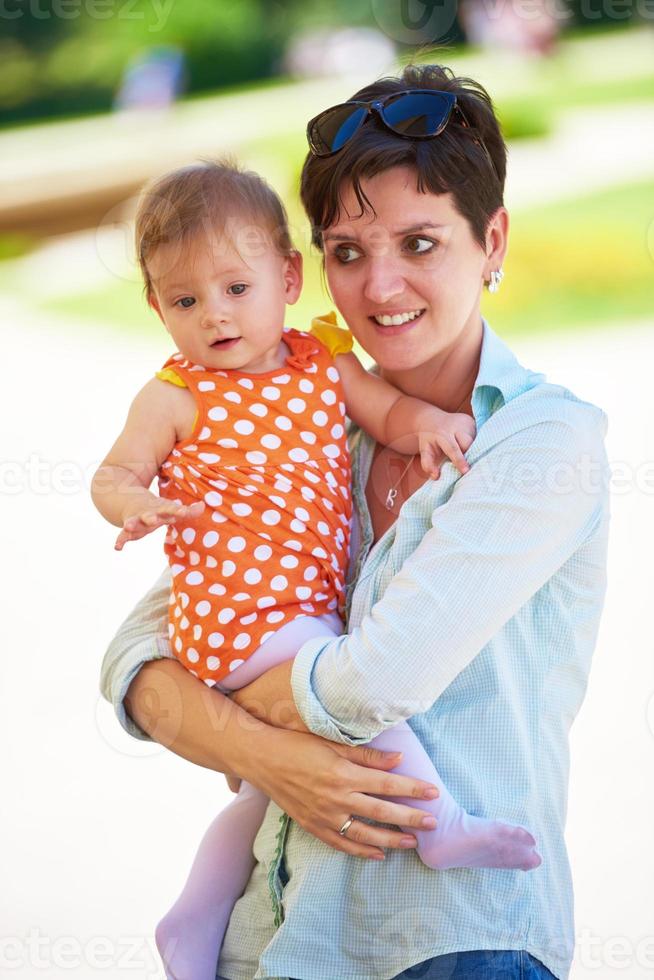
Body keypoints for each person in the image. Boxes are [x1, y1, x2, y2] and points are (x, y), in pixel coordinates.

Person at [100, 65, 609, 980]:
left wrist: (226, 714)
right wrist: (261, 747)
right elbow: (136, 658)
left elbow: (372, 683)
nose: (378, 287)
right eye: (345, 251)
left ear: (493, 240)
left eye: (420, 242)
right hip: (276, 938)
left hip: (456, 939)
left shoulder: (543, 442)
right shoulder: (306, 423)